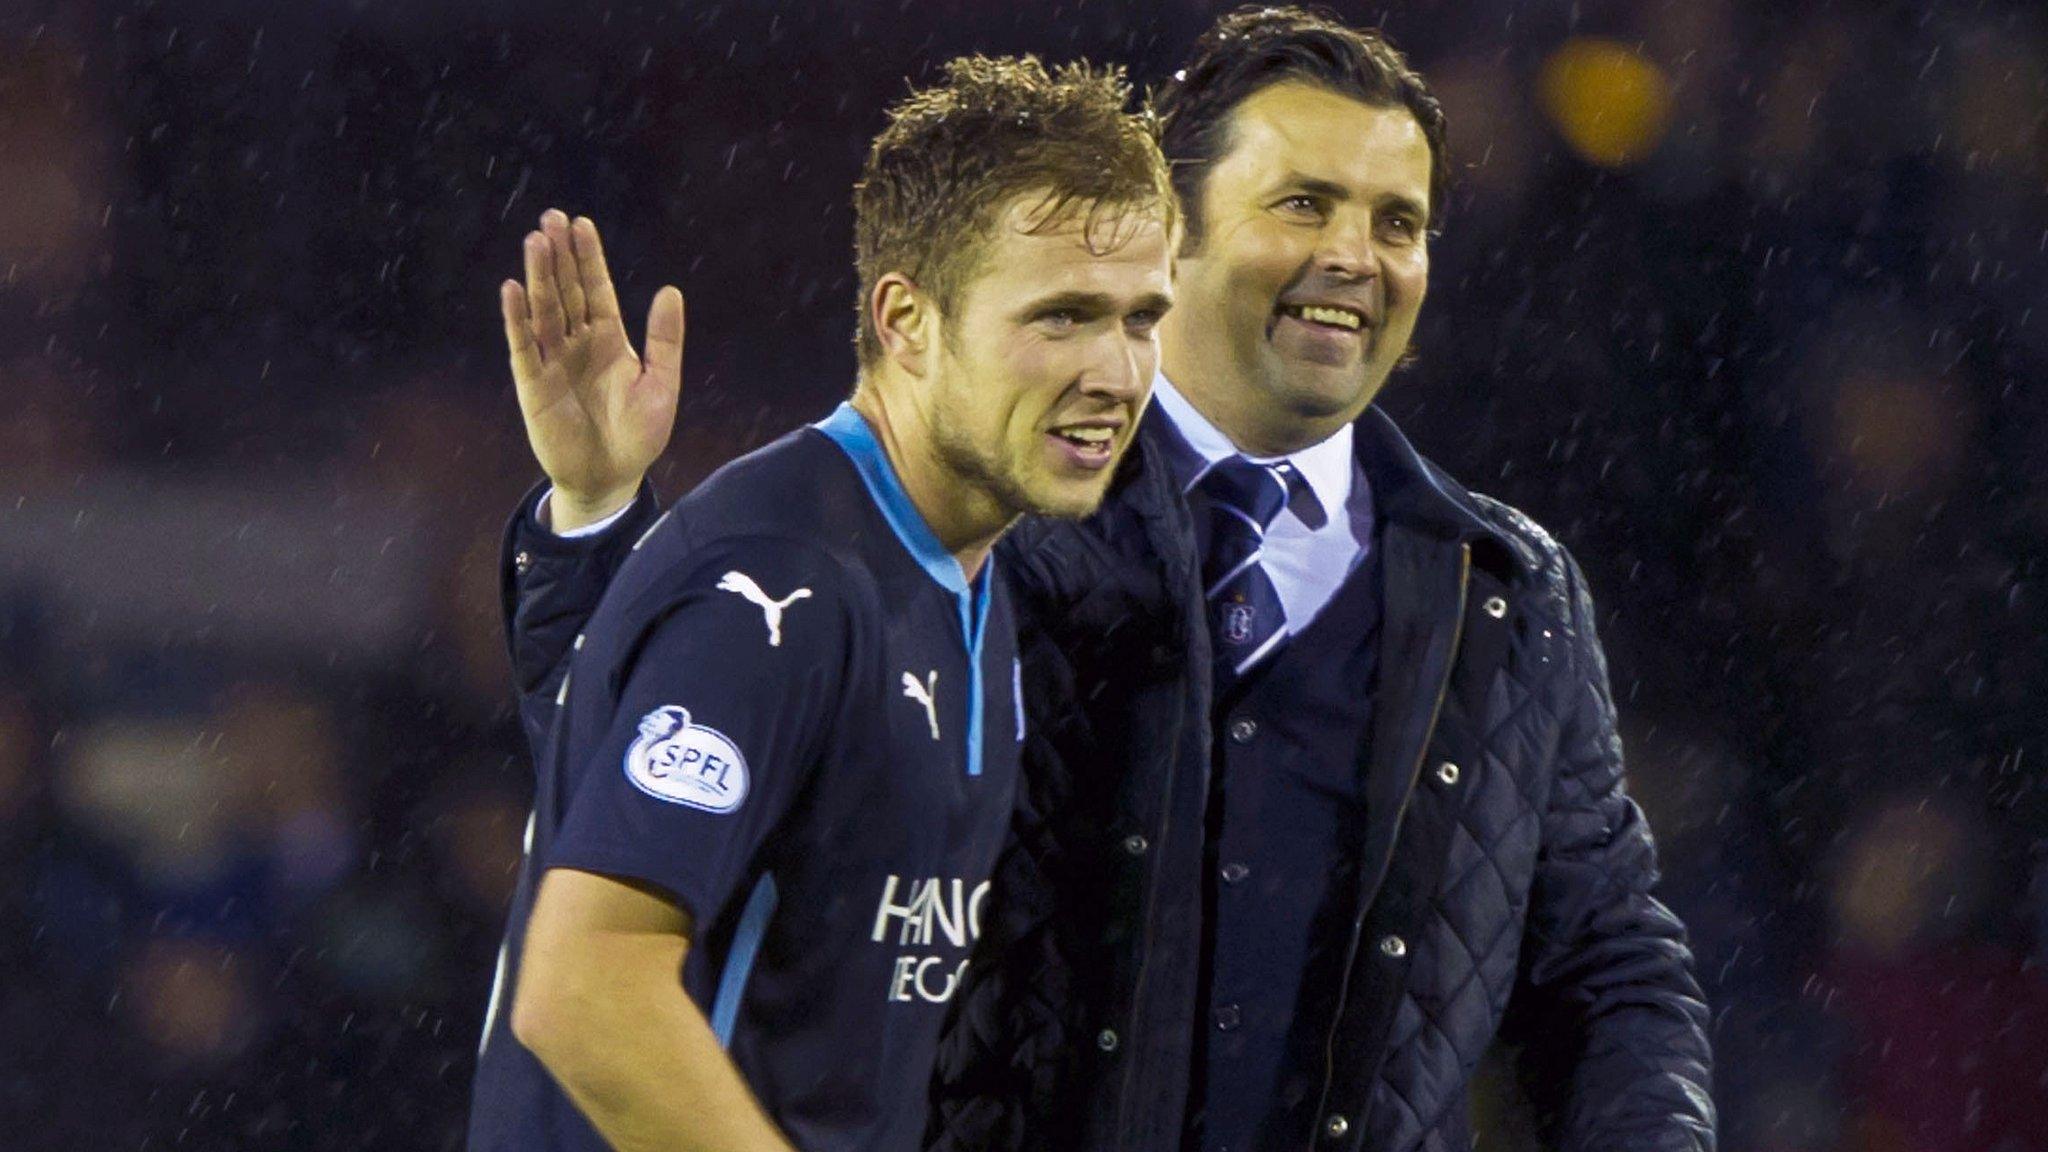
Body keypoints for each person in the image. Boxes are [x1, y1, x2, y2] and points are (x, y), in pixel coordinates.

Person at [497, 8, 1717, 1151]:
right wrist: (601, 526)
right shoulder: (979, 505)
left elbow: (1601, 965)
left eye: (1397, 223)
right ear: (1165, 228)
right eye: (1303, 203)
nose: (1355, 256)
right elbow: (634, 771)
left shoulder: (1499, 589)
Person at [467, 55, 1176, 1152]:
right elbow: (584, 990)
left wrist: (598, 519)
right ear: (905, 320)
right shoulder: (784, 584)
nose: (1117, 373)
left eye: (1140, 319)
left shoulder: (963, 573)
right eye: (1063, 316)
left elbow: (606, 767)